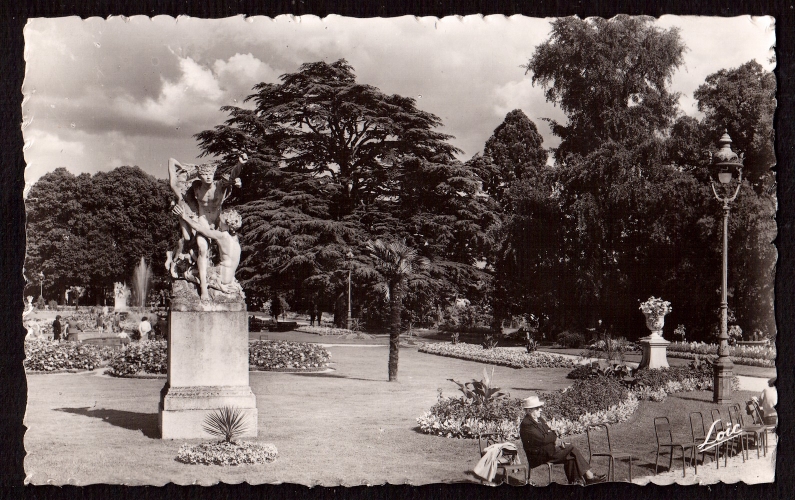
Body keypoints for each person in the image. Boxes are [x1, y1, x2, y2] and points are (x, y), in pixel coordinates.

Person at [166, 155, 244, 301]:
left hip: (218, 221)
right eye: (205, 175)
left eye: (210, 174)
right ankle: (203, 290)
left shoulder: (220, 185)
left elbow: (233, 175)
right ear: (200, 176)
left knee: (224, 250)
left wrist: (240, 164)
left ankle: (211, 276)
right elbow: (176, 187)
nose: (208, 177)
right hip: (202, 220)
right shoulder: (196, 187)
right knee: (202, 249)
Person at [519, 395, 606, 485]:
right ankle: (589, 477)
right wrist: (552, 436)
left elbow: (550, 434)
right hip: (538, 456)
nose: (540, 409)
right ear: (529, 410)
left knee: (571, 456)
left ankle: (575, 482)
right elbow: (544, 439)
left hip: (548, 451)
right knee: (571, 448)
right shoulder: (527, 424)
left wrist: (552, 436)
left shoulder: (539, 419)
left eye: (540, 407)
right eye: (537, 408)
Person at [172, 204, 242, 295]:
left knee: (188, 273)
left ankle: (201, 288)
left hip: (220, 276)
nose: (217, 222)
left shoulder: (222, 235)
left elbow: (199, 228)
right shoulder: (235, 239)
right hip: (229, 277)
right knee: (195, 257)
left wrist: (184, 216)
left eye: (219, 220)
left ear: (224, 222)